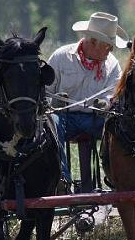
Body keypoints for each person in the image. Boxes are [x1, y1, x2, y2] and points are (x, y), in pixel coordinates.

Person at [47, 12, 129, 188]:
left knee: (121, 127)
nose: (111, 50)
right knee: (50, 124)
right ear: (92, 42)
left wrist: (107, 103)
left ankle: (119, 178)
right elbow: (44, 93)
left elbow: (116, 94)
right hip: (63, 119)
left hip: (96, 120)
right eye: (108, 45)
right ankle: (62, 180)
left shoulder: (112, 64)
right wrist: (54, 103)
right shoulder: (61, 57)